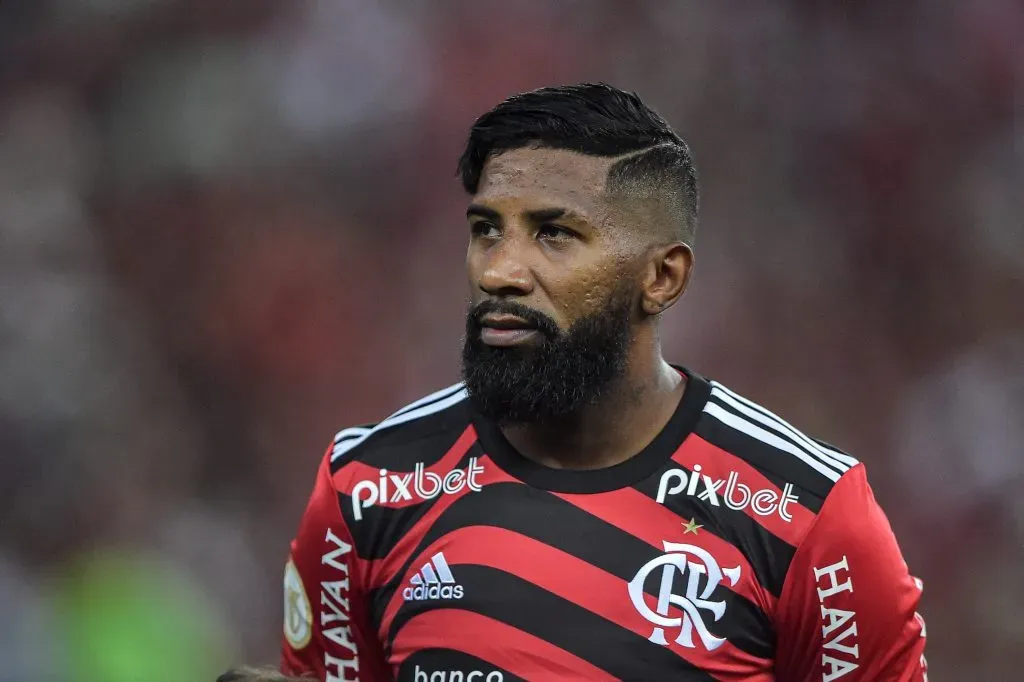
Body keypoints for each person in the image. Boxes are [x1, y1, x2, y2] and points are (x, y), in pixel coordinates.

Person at [279, 83, 928, 681]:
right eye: (486, 231)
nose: (500, 271)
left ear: (663, 278)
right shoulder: (364, 491)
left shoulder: (809, 519)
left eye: (553, 234)